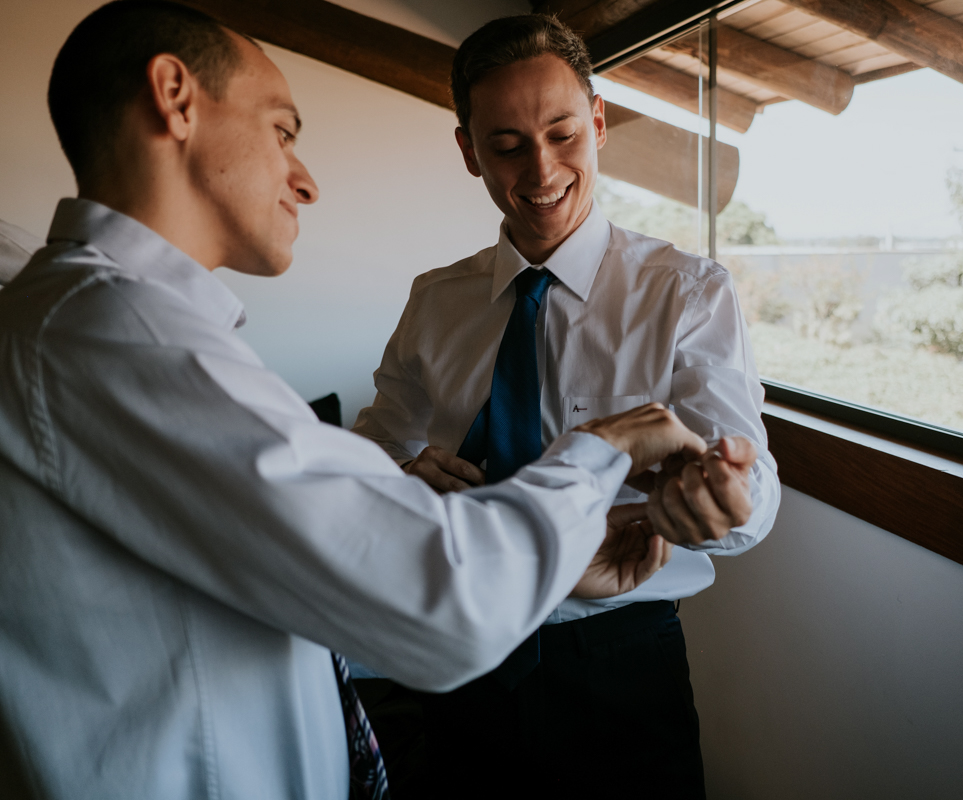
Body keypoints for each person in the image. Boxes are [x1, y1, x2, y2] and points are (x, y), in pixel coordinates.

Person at [0, 3, 711, 799]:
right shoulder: (117, 333)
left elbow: (288, 574)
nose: (302, 179)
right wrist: (603, 450)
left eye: (560, 134)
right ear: (175, 95)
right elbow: (439, 602)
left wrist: (439, 524)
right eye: (282, 130)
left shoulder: (93, 321)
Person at [351, 14, 782, 798]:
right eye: (507, 145)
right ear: (467, 150)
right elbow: (370, 455)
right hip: (463, 647)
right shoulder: (435, 301)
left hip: (623, 666)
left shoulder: (686, 293)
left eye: (562, 134)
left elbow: (754, 499)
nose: (540, 169)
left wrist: (724, 502)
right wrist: (403, 479)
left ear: (600, 123)